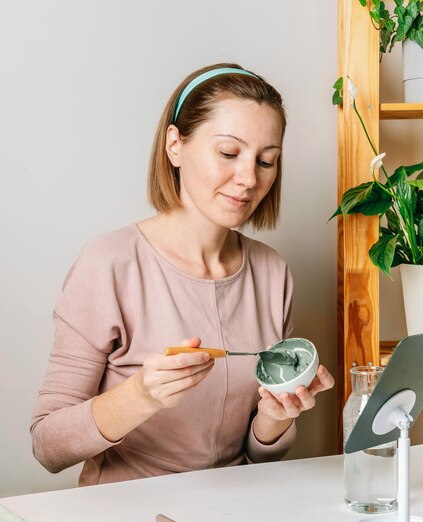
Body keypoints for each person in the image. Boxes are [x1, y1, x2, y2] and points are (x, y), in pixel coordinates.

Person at [31, 63, 334, 486]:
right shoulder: (110, 263)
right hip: (126, 518)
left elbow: (255, 457)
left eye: (266, 161)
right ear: (175, 145)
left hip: (234, 514)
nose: (248, 178)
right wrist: (140, 396)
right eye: (229, 153)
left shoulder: (272, 272)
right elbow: (47, 446)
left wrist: (272, 419)